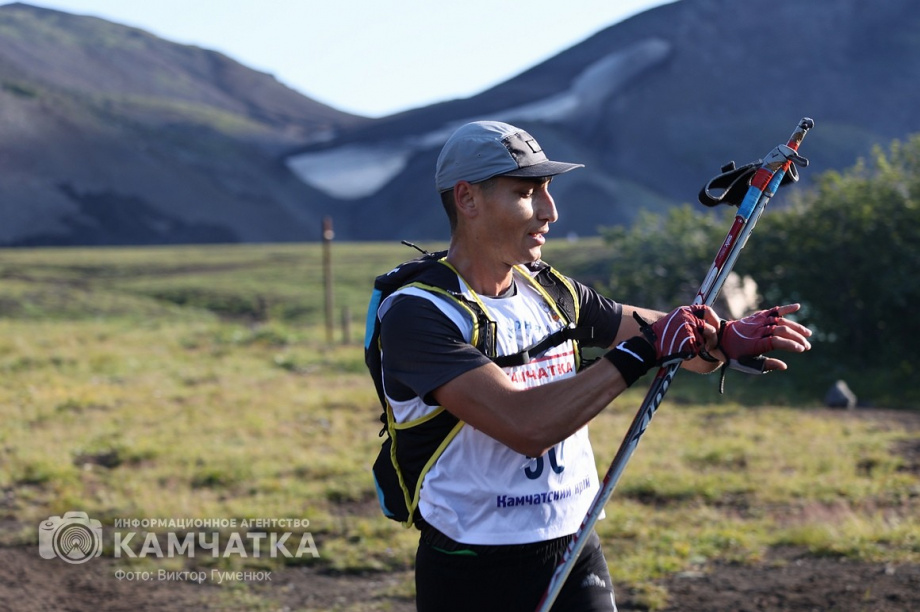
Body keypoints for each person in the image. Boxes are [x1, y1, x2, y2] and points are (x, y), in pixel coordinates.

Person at [372, 120, 812, 611]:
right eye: (526, 193)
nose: (550, 211)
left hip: (574, 548)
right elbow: (524, 424)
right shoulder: (419, 312)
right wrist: (644, 351)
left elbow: (681, 349)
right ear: (467, 199)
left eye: (548, 191)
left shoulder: (550, 290)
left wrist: (722, 338)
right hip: (473, 565)